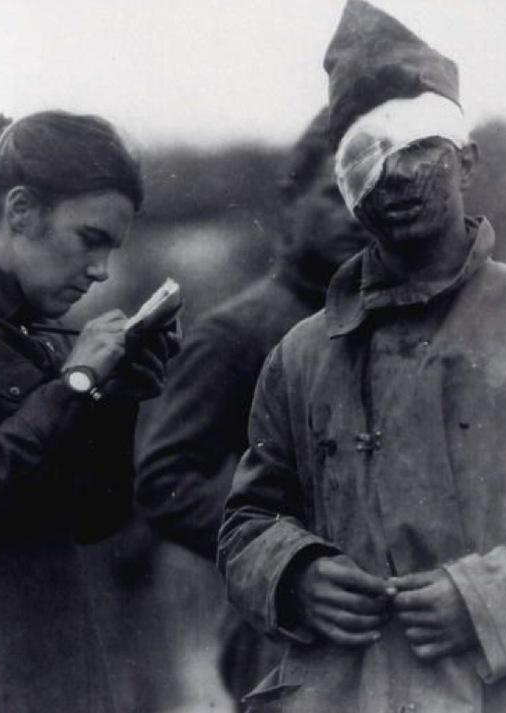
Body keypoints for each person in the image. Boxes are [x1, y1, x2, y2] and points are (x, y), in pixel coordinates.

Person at [218, 2, 506, 712]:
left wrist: (486, 598)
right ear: (344, 188)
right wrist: (294, 574)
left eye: (419, 147)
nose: (396, 177)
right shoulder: (302, 354)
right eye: (367, 158)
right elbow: (246, 523)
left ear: (467, 157)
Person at [0, 110, 179, 713]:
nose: (101, 270)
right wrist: (75, 384)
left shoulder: (50, 338)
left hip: (62, 674)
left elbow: (94, 518)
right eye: (91, 239)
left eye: (111, 248)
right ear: (21, 210)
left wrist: (116, 399)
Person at [135, 107, 370, 710]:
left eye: (366, 194)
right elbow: (164, 481)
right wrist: (288, 561)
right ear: (289, 206)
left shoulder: (393, 325)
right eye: (332, 194)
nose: (353, 214)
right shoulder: (239, 332)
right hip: (284, 630)